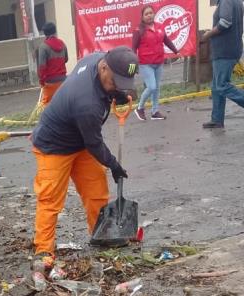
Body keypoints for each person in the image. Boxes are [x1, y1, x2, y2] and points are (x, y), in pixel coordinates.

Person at [31, 46, 138, 271]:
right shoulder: (87, 103)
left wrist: (116, 91)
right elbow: (95, 144)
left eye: (122, 82)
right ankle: (43, 249)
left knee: (96, 190)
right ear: (104, 67)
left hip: (80, 140)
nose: (117, 86)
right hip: (54, 145)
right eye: (115, 81)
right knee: (50, 199)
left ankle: (101, 233)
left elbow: (90, 140)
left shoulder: (97, 60)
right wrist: (114, 164)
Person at [201, 0, 244, 129]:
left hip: (225, 50)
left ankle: (217, 119)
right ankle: (217, 119)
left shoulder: (226, 1)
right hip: (230, 48)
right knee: (216, 86)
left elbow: (225, 22)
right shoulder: (237, 1)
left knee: (221, 85)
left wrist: (208, 34)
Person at [132, 5, 179, 121]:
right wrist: (134, 63)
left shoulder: (159, 27)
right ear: (142, 17)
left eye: (151, 13)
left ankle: (155, 111)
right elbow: (133, 49)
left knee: (157, 88)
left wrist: (175, 50)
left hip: (159, 62)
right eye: (146, 14)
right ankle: (140, 108)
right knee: (151, 87)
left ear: (154, 14)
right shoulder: (138, 31)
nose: (149, 15)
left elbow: (166, 40)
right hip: (145, 63)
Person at [37, 22, 68, 107]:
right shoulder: (62, 43)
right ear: (55, 31)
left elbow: (42, 66)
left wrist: (42, 81)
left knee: (46, 106)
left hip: (50, 82)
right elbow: (66, 59)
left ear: (44, 33)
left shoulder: (43, 47)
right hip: (63, 81)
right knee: (63, 103)